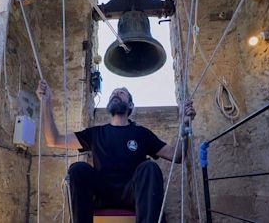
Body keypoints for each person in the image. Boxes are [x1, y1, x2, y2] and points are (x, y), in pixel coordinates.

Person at [36, 80, 196, 223]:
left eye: (121, 93)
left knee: (150, 168)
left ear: (131, 106)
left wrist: (186, 124)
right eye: (113, 93)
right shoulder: (96, 133)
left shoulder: (141, 133)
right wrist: (46, 102)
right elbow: (54, 140)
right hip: (102, 193)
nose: (115, 94)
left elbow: (178, 155)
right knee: (77, 169)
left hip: (132, 194)